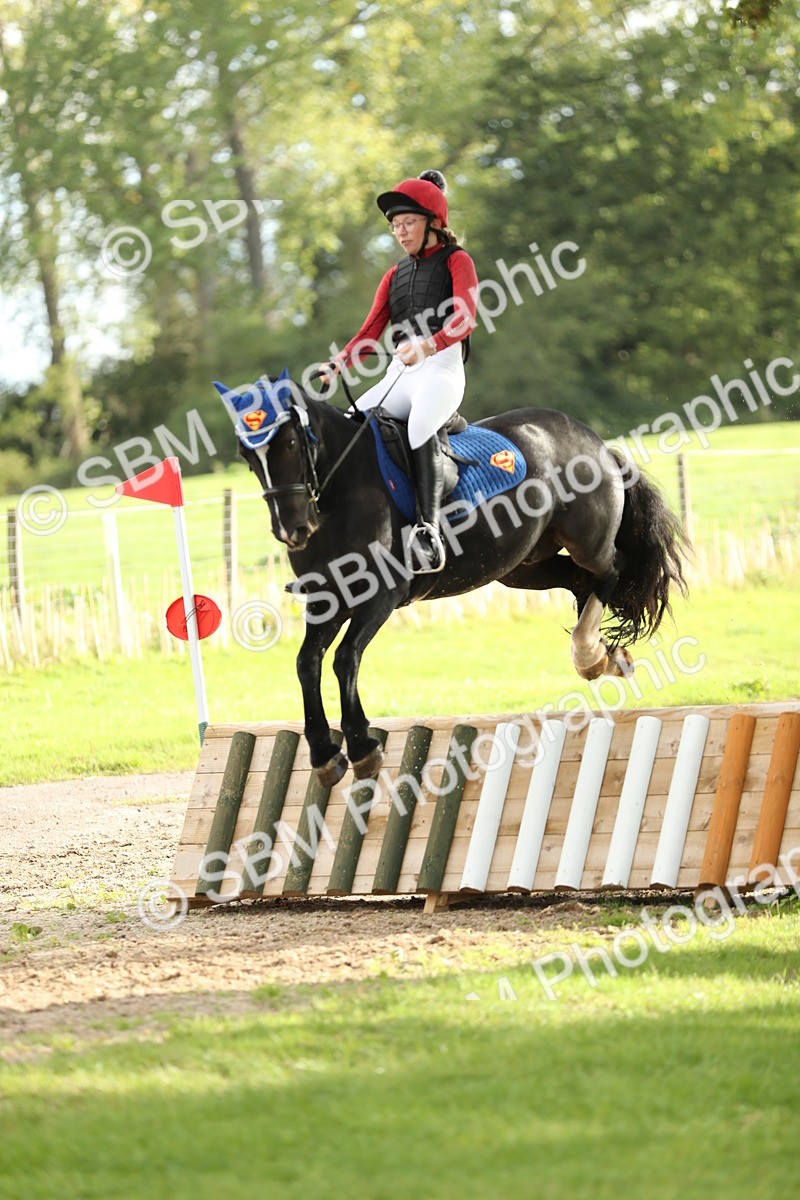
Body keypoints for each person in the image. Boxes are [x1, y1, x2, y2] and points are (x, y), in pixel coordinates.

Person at [319, 169, 478, 573]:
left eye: (408, 223)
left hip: (441, 368)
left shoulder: (457, 260)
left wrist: (426, 345)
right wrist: (339, 364)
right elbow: (370, 331)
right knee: (353, 423)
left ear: (433, 223)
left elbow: (464, 318)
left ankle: (428, 530)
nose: (401, 232)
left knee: (420, 423)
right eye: (395, 226)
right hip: (399, 374)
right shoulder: (395, 274)